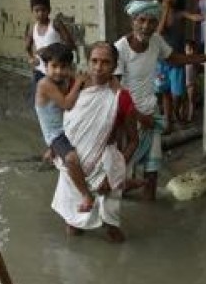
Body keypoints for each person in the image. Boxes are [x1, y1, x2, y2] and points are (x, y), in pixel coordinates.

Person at [114, 0, 206, 200]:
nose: (146, 26)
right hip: (128, 119)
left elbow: (175, 58)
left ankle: (149, 209)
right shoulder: (120, 49)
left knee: (152, 171)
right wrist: (139, 117)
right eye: (141, 20)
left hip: (151, 116)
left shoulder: (156, 41)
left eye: (152, 21)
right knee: (122, 176)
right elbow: (115, 92)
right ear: (132, 21)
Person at [50, 42, 141, 242]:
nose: (99, 67)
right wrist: (53, 148)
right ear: (88, 62)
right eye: (94, 61)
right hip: (72, 166)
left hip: (104, 169)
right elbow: (61, 124)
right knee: (73, 225)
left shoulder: (121, 98)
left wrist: (114, 175)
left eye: (106, 62)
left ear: (115, 65)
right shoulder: (75, 86)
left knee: (112, 229)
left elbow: (134, 141)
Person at [34, 42, 94, 212]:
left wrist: (82, 80)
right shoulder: (45, 84)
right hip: (56, 133)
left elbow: (88, 85)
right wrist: (78, 83)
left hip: (68, 126)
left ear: (69, 66)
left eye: (63, 66)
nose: (59, 71)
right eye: (54, 66)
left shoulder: (65, 78)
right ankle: (86, 195)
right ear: (45, 66)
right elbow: (67, 104)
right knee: (72, 159)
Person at [157, 0, 203, 133]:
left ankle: (177, 114)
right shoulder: (158, 14)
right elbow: (160, 31)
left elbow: (193, 17)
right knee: (165, 94)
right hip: (162, 61)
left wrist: (204, 16)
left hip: (177, 60)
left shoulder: (180, 14)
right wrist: (164, 10)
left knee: (177, 94)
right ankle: (168, 123)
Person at [24, 0, 75, 102]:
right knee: (41, 103)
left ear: (49, 10)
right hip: (40, 71)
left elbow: (71, 45)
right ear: (32, 11)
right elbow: (27, 46)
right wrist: (31, 58)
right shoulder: (33, 28)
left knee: (60, 102)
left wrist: (49, 50)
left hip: (57, 72)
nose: (40, 13)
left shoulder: (55, 24)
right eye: (37, 11)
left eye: (43, 10)